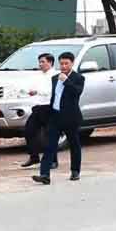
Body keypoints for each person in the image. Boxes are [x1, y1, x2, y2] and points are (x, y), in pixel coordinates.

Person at [34, 50, 85, 185]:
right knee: (49, 145)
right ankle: (44, 174)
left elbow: (77, 93)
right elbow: (54, 97)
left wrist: (67, 81)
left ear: (72, 63)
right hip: (55, 116)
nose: (63, 66)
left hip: (70, 117)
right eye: (61, 63)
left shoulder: (78, 78)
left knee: (74, 144)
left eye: (66, 63)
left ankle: (75, 171)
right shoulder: (55, 78)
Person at [20, 52, 55, 167]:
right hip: (37, 107)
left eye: (43, 62)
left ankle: (53, 160)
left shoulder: (55, 75)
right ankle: (34, 157)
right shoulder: (38, 75)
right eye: (39, 62)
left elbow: (51, 92)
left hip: (48, 107)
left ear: (50, 62)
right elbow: (32, 88)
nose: (40, 64)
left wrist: (37, 91)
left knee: (48, 135)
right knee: (29, 130)